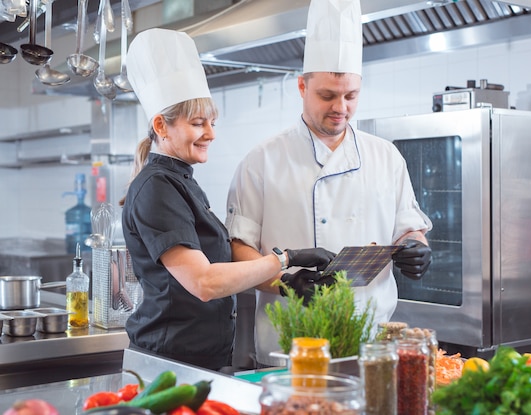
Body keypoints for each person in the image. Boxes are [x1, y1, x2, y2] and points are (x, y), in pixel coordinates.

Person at [225, 0, 433, 367]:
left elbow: (408, 230)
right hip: (289, 342)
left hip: (372, 342)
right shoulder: (262, 161)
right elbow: (239, 251)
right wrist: (286, 284)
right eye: (327, 96)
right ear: (302, 86)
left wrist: (416, 248)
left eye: (350, 96)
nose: (341, 107)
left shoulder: (386, 156)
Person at [120, 28, 335, 371]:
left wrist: (285, 284)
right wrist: (285, 259)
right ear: (161, 125)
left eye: (212, 122)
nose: (211, 134)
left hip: (195, 360)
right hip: (168, 363)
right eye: (198, 123)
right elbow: (204, 282)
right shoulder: (157, 187)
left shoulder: (181, 181)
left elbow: (219, 267)